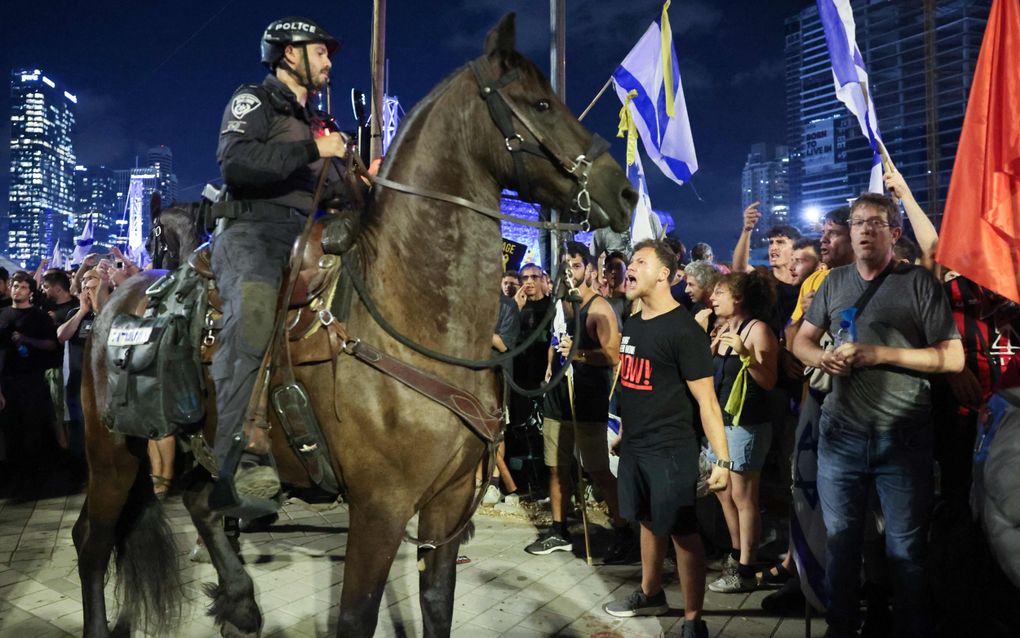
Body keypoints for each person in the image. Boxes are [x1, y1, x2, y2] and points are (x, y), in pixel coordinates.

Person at [792, 193, 964, 638]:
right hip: (840, 436)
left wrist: (880, 353)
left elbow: (953, 358)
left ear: (895, 232)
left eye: (876, 222)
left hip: (902, 436)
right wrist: (821, 358)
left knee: (905, 549)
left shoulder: (918, 284)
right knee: (842, 543)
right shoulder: (832, 282)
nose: (865, 229)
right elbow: (801, 341)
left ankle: (910, 627)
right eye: (858, 222)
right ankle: (842, 627)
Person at [211, 17, 349, 504]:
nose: (329, 61)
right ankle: (235, 460)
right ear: (290, 55)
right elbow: (236, 162)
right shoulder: (256, 100)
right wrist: (315, 148)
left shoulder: (320, 124)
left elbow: (335, 190)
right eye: (321, 52)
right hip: (254, 233)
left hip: (312, 236)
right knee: (252, 316)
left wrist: (360, 177)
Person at [602, 240, 731, 638]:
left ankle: (694, 620)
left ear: (663, 274)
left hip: (672, 448)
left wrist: (723, 462)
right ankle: (650, 592)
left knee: (681, 529)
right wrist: (622, 431)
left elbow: (707, 401)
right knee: (645, 520)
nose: (630, 268)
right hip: (636, 445)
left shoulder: (683, 330)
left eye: (640, 261)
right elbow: (630, 382)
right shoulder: (635, 322)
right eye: (632, 262)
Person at [524, 243, 631, 561]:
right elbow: (556, 342)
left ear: (587, 269)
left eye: (574, 265)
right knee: (557, 467)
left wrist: (579, 353)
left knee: (597, 470)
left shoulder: (599, 308)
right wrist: (550, 364)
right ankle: (558, 531)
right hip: (559, 395)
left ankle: (624, 532)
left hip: (586, 398)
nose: (568, 272)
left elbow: (613, 356)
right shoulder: (561, 304)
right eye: (564, 266)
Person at [704, 270, 779, 593]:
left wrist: (746, 356)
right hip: (720, 423)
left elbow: (769, 381)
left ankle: (745, 568)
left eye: (720, 293)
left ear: (738, 298)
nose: (712, 299)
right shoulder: (722, 329)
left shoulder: (757, 330)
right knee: (722, 491)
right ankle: (735, 554)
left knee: (744, 496)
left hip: (747, 423)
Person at [0, 272, 60, 496]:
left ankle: (35, 481)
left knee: (34, 430)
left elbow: (51, 345)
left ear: (30, 292)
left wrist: (26, 340)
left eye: (24, 287)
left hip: (32, 380)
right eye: (15, 286)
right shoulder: (3, 314)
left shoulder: (39, 317)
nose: (18, 290)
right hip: (7, 381)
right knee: (11, 432)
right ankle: (15, 482)